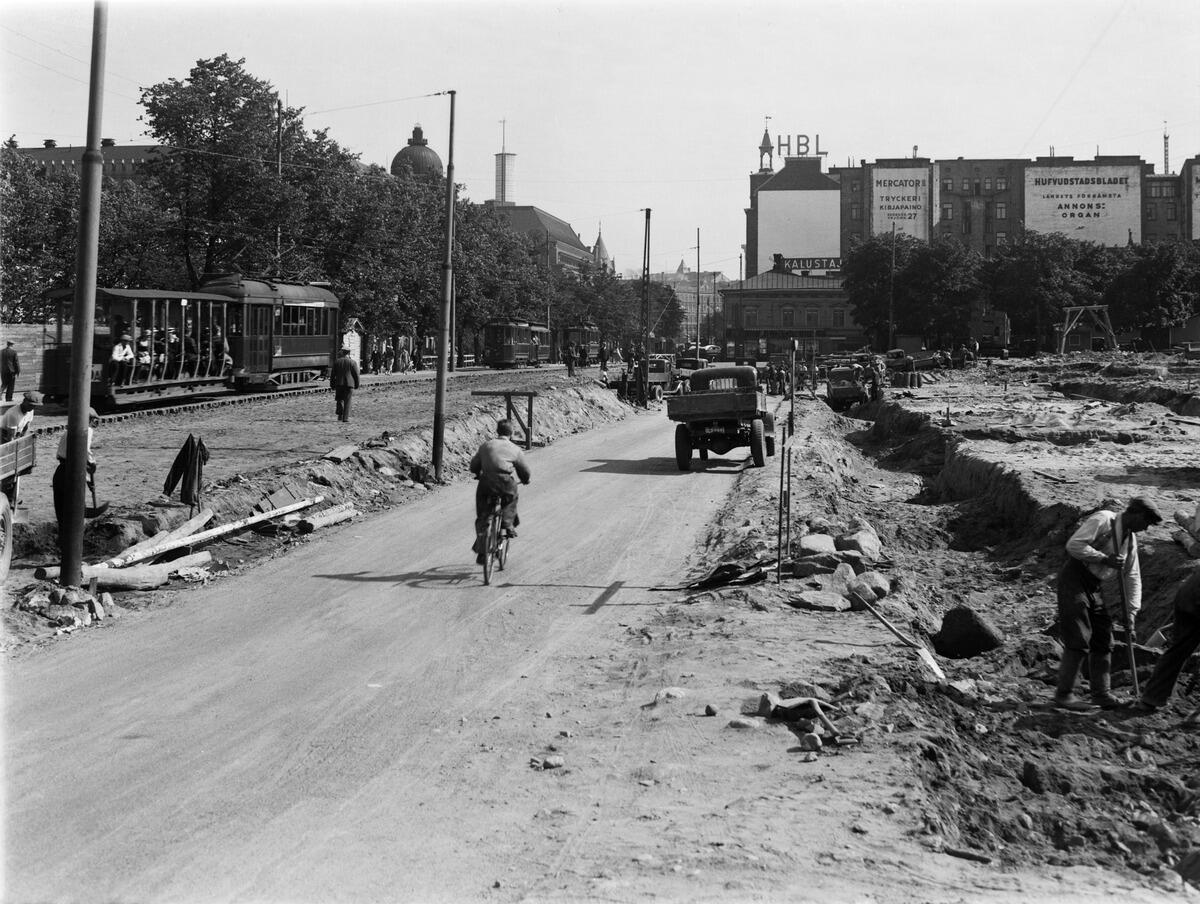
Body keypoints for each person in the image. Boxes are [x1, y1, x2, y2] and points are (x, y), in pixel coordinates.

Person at [1053, 496, 1163, 711]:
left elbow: (1132, 575)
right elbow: (1073, 545)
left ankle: (1101, 694)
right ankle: (1064, 694)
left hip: (1095, 585)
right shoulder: (1104, 519)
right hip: (1075, 579)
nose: (1146, 528)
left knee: (1104, 639)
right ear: (1137, 514)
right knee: (1078, 636)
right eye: (1146, 523)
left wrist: (1132, 611)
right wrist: (1103, 558)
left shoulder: (1130, 540)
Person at [1133, 568, 1200, 713]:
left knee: (1178, 650)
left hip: (1187, 595)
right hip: (1194, 599)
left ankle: (1150, 699)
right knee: (1179, 650)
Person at [469, 419, 531, 565]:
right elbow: (524, 470)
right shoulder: (514, 449)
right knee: (511, 499)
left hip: (486, 482)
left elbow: (474, 466)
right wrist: (525, 479)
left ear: (497, 431)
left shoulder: (486, 445)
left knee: (483, 516)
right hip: (505, 482)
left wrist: (478, 473)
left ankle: (483, 551)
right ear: (512, 433)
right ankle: (507, 523)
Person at [53, 407, 100, 557]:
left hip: (60, 472)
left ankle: (63, 552)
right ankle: (72, 554)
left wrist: (86, 477)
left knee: (62, 514)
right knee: (74, 515)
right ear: (90, 420)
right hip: (71, 473)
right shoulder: (86, 430)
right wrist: (92, 464)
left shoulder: (69, 430)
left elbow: (72, 455)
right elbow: (83, 452)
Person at [331, 347, 360, 422]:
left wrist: (332, 384)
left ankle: (340, 415)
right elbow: (356, 375)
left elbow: (333, 374)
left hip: (339, 384)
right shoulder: (353, 362)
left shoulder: (337, 362)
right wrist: (357, 384)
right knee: (347, 401)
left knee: (339, 399)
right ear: (348, 353)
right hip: (349, 385)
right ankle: (345, 418)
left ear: (342, 352)